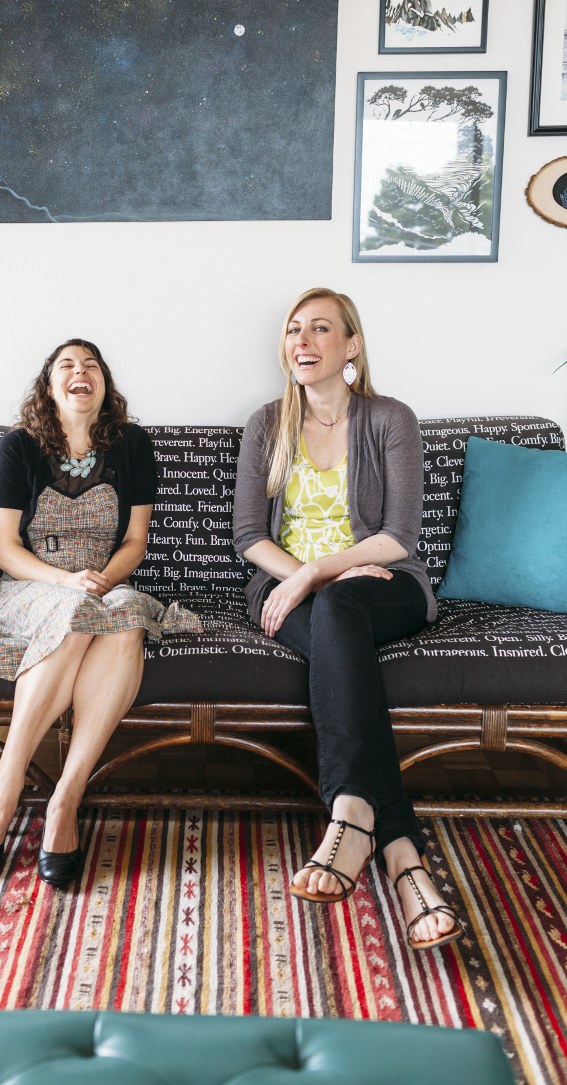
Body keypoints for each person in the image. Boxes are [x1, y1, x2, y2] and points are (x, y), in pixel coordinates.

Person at [232, 289, 463, 951]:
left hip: (385, 583)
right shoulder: (266, 423)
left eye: (321, 329)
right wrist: (301, 576)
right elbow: (248, 535)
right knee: (333, 607)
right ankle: (400, 854)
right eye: (293, 330)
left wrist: (319, 569)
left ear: (351, 345)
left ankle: (350, 814)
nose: (302, 341)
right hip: (289, 591)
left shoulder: (391, 418)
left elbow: (399, 535)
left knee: (339, 601)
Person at [0, 340, 200, 885]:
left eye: (92, 366)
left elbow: (135, 540)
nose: (81, 373)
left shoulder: (133, 446)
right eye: (67, 367)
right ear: (49, 387)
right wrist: (67, 581)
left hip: (105, 583)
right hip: (33, 586)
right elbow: (7, 549)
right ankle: (5, 790)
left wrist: (103, 580)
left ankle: (65, 801)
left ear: (104, 383)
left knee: (126, 620)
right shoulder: (19, 448)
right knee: (80, 609)